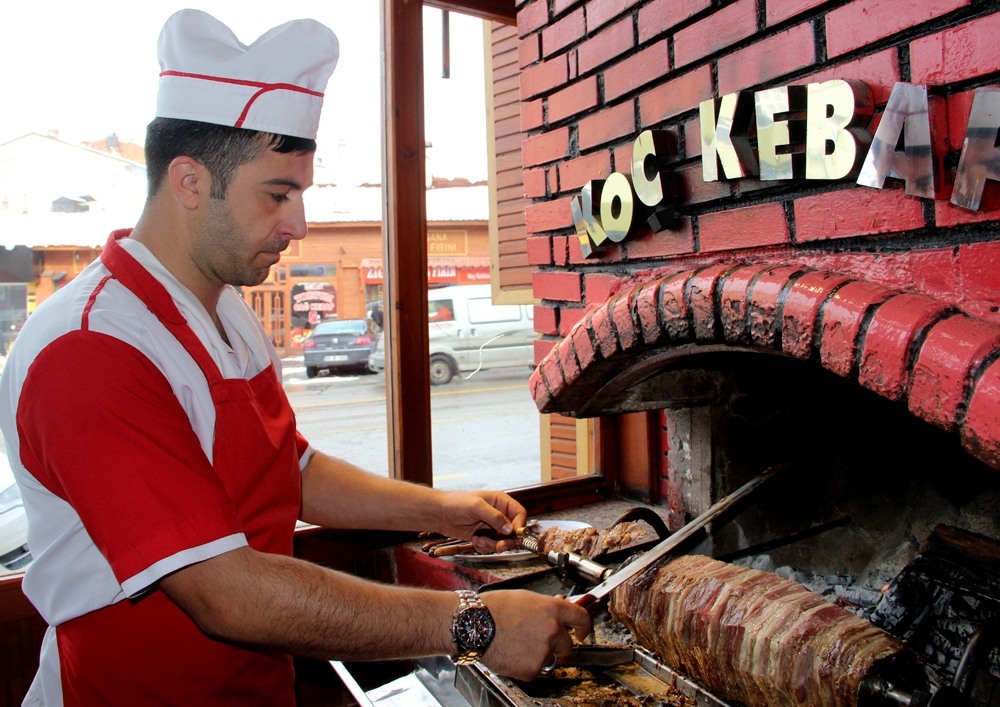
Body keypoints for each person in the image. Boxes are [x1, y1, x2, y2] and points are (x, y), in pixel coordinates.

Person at [0, 10, 590, 706]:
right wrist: (475, 624)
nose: (298, 224)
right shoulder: (93, 349)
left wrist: (442, 508)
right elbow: (225, 593)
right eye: (278, 194)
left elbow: (292, 468)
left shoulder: (225, 309)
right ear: (190, 182)